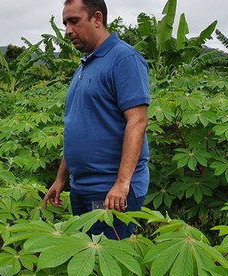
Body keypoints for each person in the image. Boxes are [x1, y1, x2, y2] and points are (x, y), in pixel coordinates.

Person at [43, 0, 150, 244]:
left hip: (110, 191)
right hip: (81, 187)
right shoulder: (85, 65)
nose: (67, 30)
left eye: (74, 21)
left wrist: (122, 185)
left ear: (97, 18)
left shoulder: (124, 59)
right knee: (88, 262)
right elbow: (77, 127)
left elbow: (137, 122)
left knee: (107, 271)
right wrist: (61, 179)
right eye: (65, 23)